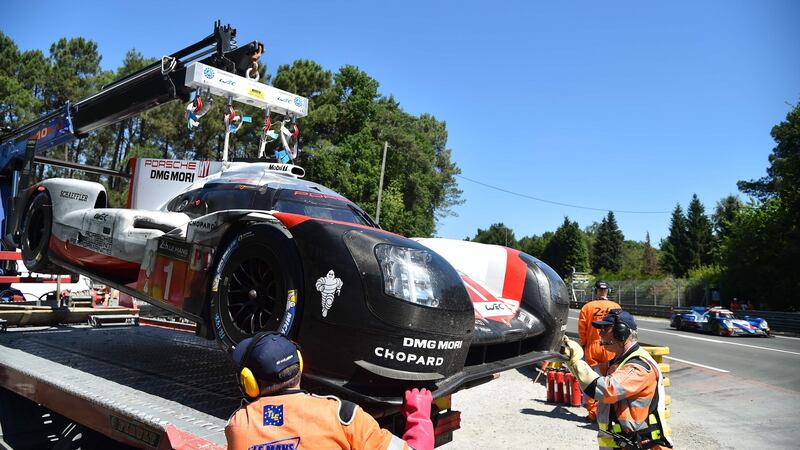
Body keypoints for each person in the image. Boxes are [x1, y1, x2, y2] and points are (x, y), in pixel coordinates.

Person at [225, 332, 434, 450]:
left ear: (249, 382)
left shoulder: (238, 425)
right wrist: (420, 416)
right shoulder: (343, 416)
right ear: (300, 362)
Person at [562, 310, 673, 449]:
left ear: (622, 332)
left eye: (605, 329)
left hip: (641, 445)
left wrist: (576, 361)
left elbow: (605, 390)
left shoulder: (638, 366)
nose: (600, 334)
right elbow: (592, 377)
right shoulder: (620, 361)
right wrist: (569, 361)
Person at [577, 280, 621, 421]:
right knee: (611, 381)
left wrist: (584, 344)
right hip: (611, 347)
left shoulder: (587, 307)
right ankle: (610, 411)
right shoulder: (615, 306)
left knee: (591, 381)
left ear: (595, 291)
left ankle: (593, 413)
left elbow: (582, 329)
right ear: (608, 291)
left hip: (593, 347)